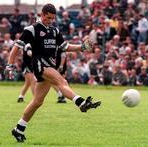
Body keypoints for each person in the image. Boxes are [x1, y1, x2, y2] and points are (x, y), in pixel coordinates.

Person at [5, 3, 101, 142]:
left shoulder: (54, 31)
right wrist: (10, 66)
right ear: (42, 14)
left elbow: (65, 47)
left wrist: (82, 47)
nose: (50, 21)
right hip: (40, 65)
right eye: (48, 18)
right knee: (62, 81)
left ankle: (18, 129)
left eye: (52, 18)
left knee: (37, 102)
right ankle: (81, 103)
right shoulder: (31, 29)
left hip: (49, 65)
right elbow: (16, 48)